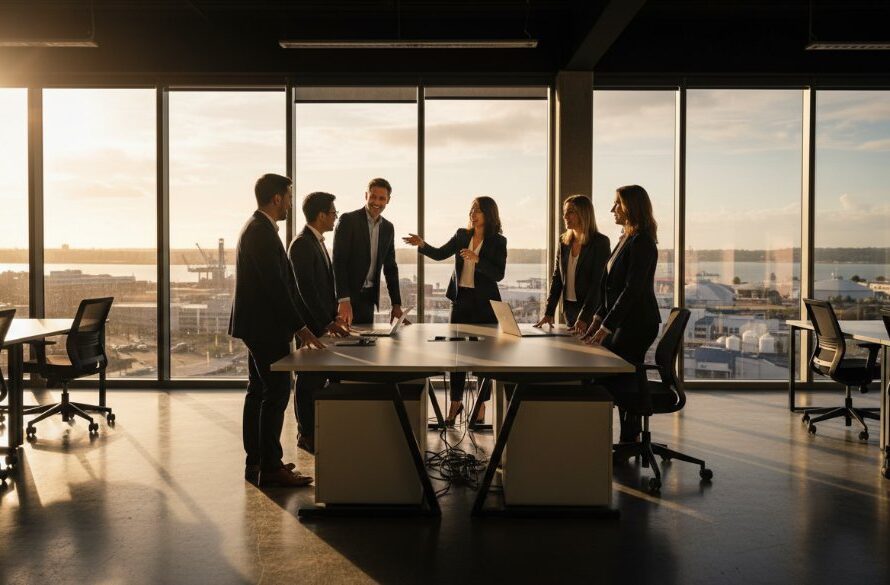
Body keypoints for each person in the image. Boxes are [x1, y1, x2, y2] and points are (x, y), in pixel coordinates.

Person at [229, 173, 322, 488]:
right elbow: (277, 289)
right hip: (266, 328)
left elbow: (285, 287)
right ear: (277, 198)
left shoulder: (259, 229)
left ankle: (257, 461)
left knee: (258, 392)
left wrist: (305, 324)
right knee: (276, 392)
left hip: (259, 326)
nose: (291, 203)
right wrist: (301, 327)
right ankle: (269, 467)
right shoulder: (261, 233)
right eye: (289, 197)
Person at [404, 197, 506, 426]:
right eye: (471, 209)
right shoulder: (462, 235)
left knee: (484, 357)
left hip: (485, 304)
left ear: (489, 214)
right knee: (458, 355)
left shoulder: (498, 241)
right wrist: (422, 244)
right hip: (460, 301)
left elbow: (498, 274)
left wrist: (477, 259)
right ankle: (456, 402)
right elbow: (440, 254)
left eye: (478, 210)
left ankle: (480, 405)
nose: (473, 213)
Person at [582, 185, 661, 443]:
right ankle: (630, 437)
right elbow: (610, 287)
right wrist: (597, 318)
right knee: (617, 373)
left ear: (631, 207)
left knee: (616, 372)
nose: (612, 209)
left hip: (637, 323)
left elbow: (632, 290)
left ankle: (630, 438)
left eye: (617, 204)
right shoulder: (626, 238)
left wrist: (607, 327)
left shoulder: (643, 242)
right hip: (623, 321)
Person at [288, 191, 350, 455]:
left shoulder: (317, 242)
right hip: (310, 329)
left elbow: (323, 288)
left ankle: (315, 431)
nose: (336, 216)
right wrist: (326, 323)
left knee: (316, 380)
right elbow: (306, 291)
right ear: (322, 215)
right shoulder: (302, 244)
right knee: (307, 382)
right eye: (333, 212)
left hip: (322, 326)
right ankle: (306, 435)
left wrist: (334, 317)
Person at [333, 178, 404, 326]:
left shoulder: (388, 228)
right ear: (366, 196)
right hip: (347, 299)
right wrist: (343, 299)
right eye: (373, 196)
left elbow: (390, 268)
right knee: (344, 345)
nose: (376, 202)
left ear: (388, 200)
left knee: (366, 346)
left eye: (381, 198)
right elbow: (339, 262)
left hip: (368, 299)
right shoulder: (348, 220)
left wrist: (396, 304)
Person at [535, 194, 610, 330]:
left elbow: (597, 284)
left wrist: (584, 317)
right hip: (569, 311)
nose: (565, 217)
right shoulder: (564, 241)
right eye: (564, 212)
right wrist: (549, 312)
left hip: (591, 314)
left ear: (584, 214)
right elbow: (557, 278)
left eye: (570, 212)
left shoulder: (600, 242)